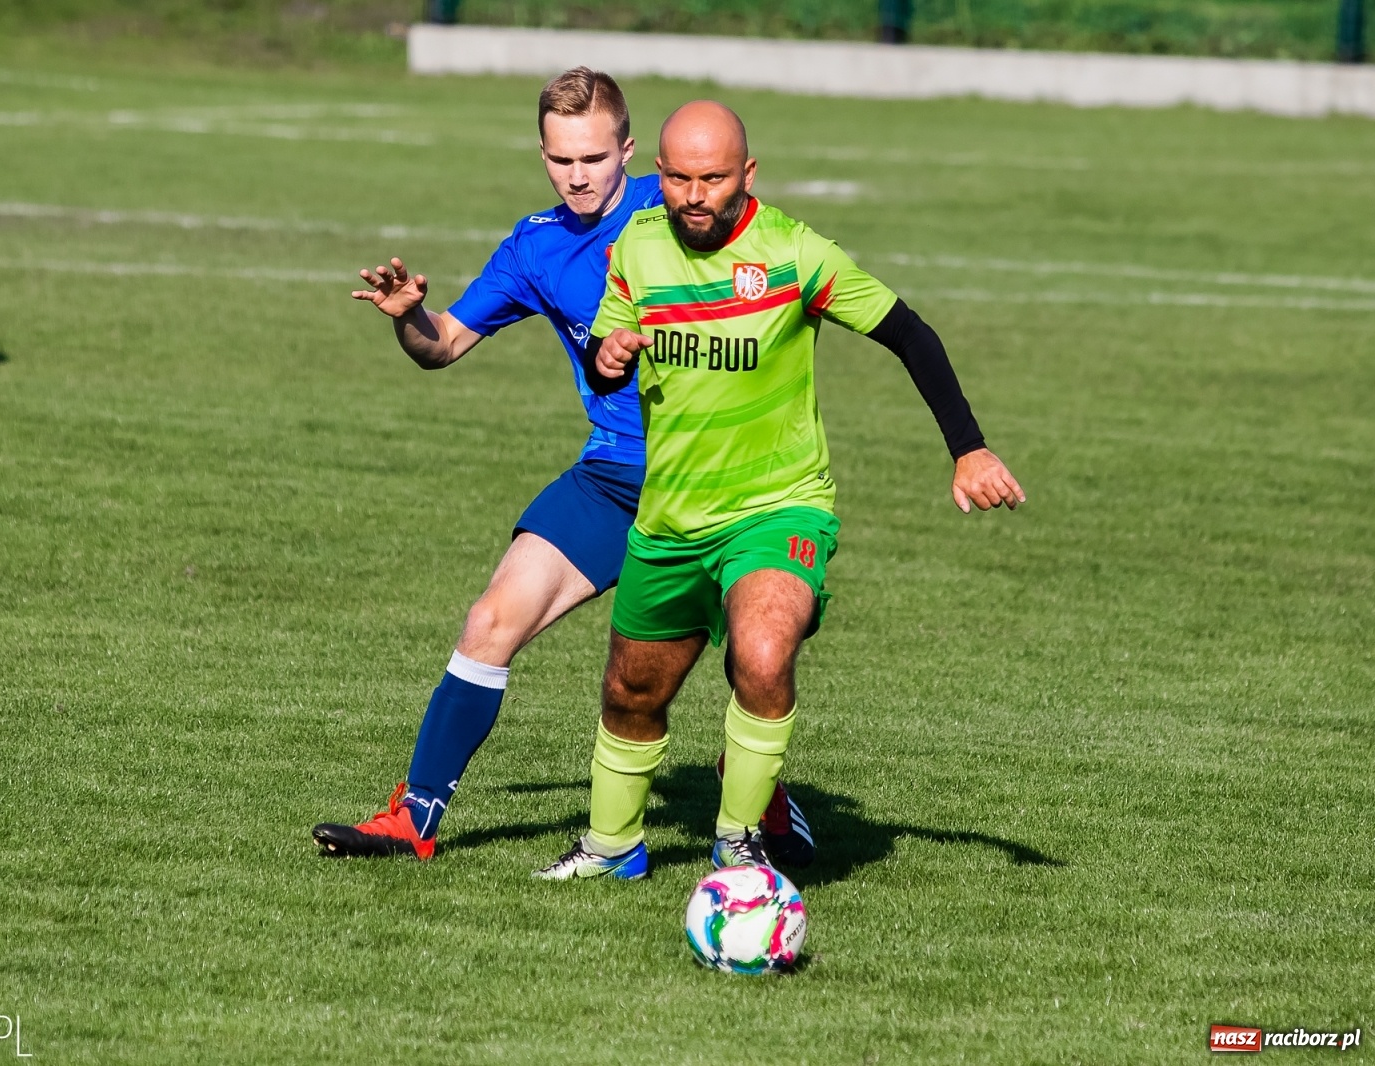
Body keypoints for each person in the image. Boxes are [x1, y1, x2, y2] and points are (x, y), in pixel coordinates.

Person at [312, 71, 816, 867]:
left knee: (748, 658)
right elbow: (444, 346)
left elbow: (776, 264)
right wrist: (409, 318)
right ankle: (416, 816)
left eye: (592, 156)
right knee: (489, 622)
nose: (577, 175)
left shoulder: (684, 200)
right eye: (559, 159)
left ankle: (760, 799)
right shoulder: (536, 244)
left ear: (628, 150)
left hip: (723, 479)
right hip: (615, 474)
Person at [534, 100, 1024, 881]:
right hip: (670, 518)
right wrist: (610, 352)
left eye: (714, 179)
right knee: (632, 693)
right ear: (657, 175)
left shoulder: (795, 252)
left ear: (747, 174)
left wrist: (968, 448)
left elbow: (909, 332)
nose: (696, 196)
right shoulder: (638, 246)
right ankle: (611, 846)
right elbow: (606, 351)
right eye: (681, 179)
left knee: (763, 656)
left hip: (779, 507)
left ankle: (739, 842)